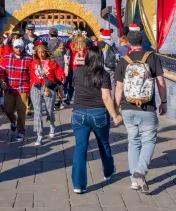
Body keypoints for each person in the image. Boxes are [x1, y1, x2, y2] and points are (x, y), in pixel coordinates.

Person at [114, 27, 166, 193]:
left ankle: (134, 180)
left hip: (128, 107)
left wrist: (116, 109)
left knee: (133, 142)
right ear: (142, 41)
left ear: (128, 43)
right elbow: (161, 82)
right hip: (147, 107)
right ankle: (141, 171)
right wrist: (163, 101)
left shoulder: (123, 60)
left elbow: (119, 88)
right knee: (149, 141)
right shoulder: (151, 57)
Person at [70, 44, 122, 194]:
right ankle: (108, 172)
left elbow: (76, 87)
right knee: (104, 144)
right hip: (99, 113)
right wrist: (115, 115)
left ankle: (79, 185)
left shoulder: (76, 72)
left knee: (80, 148)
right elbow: (106, 97)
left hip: (79, 113)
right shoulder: (104, 75)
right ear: (101, 59)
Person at [0, 37, 34, 140]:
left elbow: (31, 74)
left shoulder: (29, 59)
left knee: (21, 109)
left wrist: (32, 88)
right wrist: (2, 81)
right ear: (13, 48)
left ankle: (21, 131)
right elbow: (1, 71)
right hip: (9, 87)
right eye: (16, 47)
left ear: (23, 47)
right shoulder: (6, 58)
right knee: (8, 109)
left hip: (23, 87)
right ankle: (13, 121)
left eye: (20, 47)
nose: (18, 49)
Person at [30, 43, 65, 145]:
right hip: (36, 88)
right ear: (36, 53)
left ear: (46, 52)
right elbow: (31, 76)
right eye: (39, 52)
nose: (41, 54)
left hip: (48, 88)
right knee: (37, 111)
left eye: (43, 52)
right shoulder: (34, 63)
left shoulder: (52, 62)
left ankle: (51, 124)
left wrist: (62, 78)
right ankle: (39, 134)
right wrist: (30, 87)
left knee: (49, 109)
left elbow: (60, 73)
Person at [65, 32, 87, 104]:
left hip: (73, 68)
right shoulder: (85, 48)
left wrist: (70, 37)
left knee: (71, 85)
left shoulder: (72, 46)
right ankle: (82, 98)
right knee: (82, 85)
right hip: (83, 69)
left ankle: (68, 99)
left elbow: (67, 43)